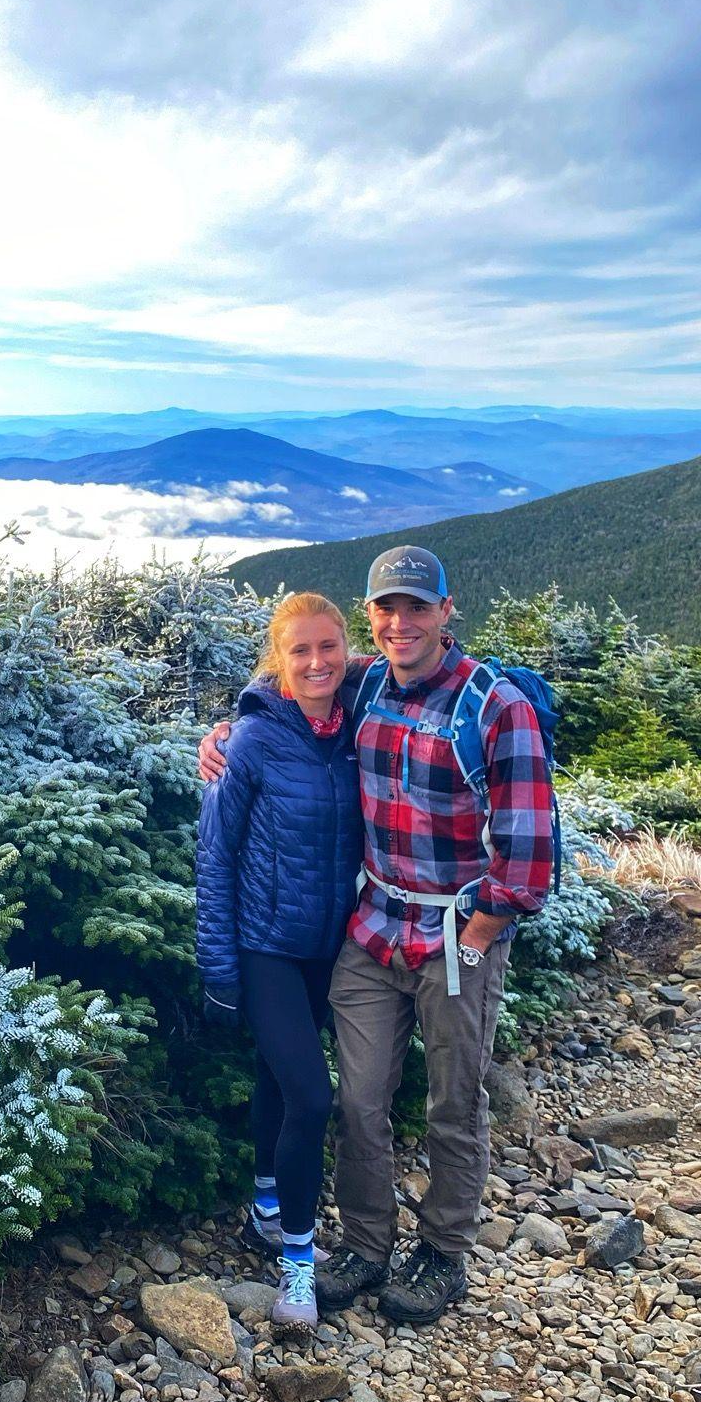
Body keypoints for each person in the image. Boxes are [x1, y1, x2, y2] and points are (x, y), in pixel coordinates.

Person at [199, 546, 552, 1326]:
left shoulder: (493, 707)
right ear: (373, 617)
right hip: (372, 927)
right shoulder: (367, 681)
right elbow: (295, 677)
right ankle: (364, 1242)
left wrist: (476, 937)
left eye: (417, 607)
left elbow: (529, 857)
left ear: (445, 611)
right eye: (387, 608)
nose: (402, 622)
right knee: (356, 1100)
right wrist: (228, 728)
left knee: (451, 1104)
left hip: (454, 934)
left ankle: (442, 1253)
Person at [195, 592, 366, 1327]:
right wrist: (220, 971)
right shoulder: (252, 741)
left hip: (330, 948)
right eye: (300, 650)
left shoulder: (361, 722)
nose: (316, 661)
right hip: (265, 946)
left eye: (328, 646)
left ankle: (264, 1207)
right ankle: (297, 1265)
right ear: (278, 658)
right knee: (313, 1096)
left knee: (277, 1078)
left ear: (348, 650)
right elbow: (214, 855)